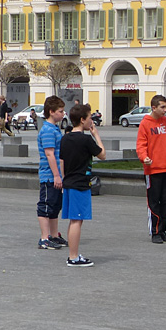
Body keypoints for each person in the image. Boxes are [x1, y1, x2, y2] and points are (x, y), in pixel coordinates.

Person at [59, 103, 106, 267]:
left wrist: (64, 180)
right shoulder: (86, 139)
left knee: (73, 220)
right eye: (89, 117)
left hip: (69, 183)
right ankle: (73, 256)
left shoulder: (65, 138)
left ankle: (74, 253)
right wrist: (96, 135)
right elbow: (102, 154)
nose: (91, 120)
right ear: (82, 120)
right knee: (77, 221)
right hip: (80, 184)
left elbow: (62, 162)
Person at [136, 94, 166, 244]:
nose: (165, 110)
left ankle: (163, 229)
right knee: (154, 202)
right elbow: (141, 145)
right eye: (162, 107)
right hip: (153, 170)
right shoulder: (145, 124)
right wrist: (144, 157)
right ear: (153, 108)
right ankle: (155, 231)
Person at [37, 96, 69, 250]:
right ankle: (44, 238)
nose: (63, 114)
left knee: (55, 206)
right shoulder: (48, 130)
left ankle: (54, 235)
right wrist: (56, 175)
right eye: (60, 111)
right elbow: (50, 154)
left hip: (56, 174)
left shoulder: (55, 128)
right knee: (46, 205)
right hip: (49, 174)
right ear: (51, 112)